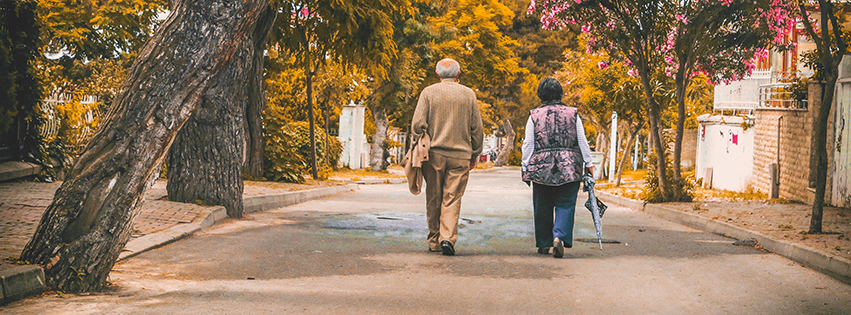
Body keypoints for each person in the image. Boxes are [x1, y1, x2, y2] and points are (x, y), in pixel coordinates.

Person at [411, 58, 484, 256]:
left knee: (433, 196)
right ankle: (447, 238)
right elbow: (477, 128)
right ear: (458, 74)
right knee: (452, 198)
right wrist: (475, 153)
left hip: (433, 154)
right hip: (460, 155)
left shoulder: (428, 92)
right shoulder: (468, 94)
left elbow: (417, 124)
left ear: (437, 75)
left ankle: (434, 240)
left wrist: (420, 140)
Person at [521, 77, 594, 258]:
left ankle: (544, 243)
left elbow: (528, 144)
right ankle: (559, 237)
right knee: (566, 203)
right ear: (560, 93)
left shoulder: (534, 116)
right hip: (570, 166)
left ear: (540, 95)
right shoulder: (573, 114)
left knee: (542, 205)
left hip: (541, 167)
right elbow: (582, 141)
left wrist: (525, 166)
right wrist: (589, 164)